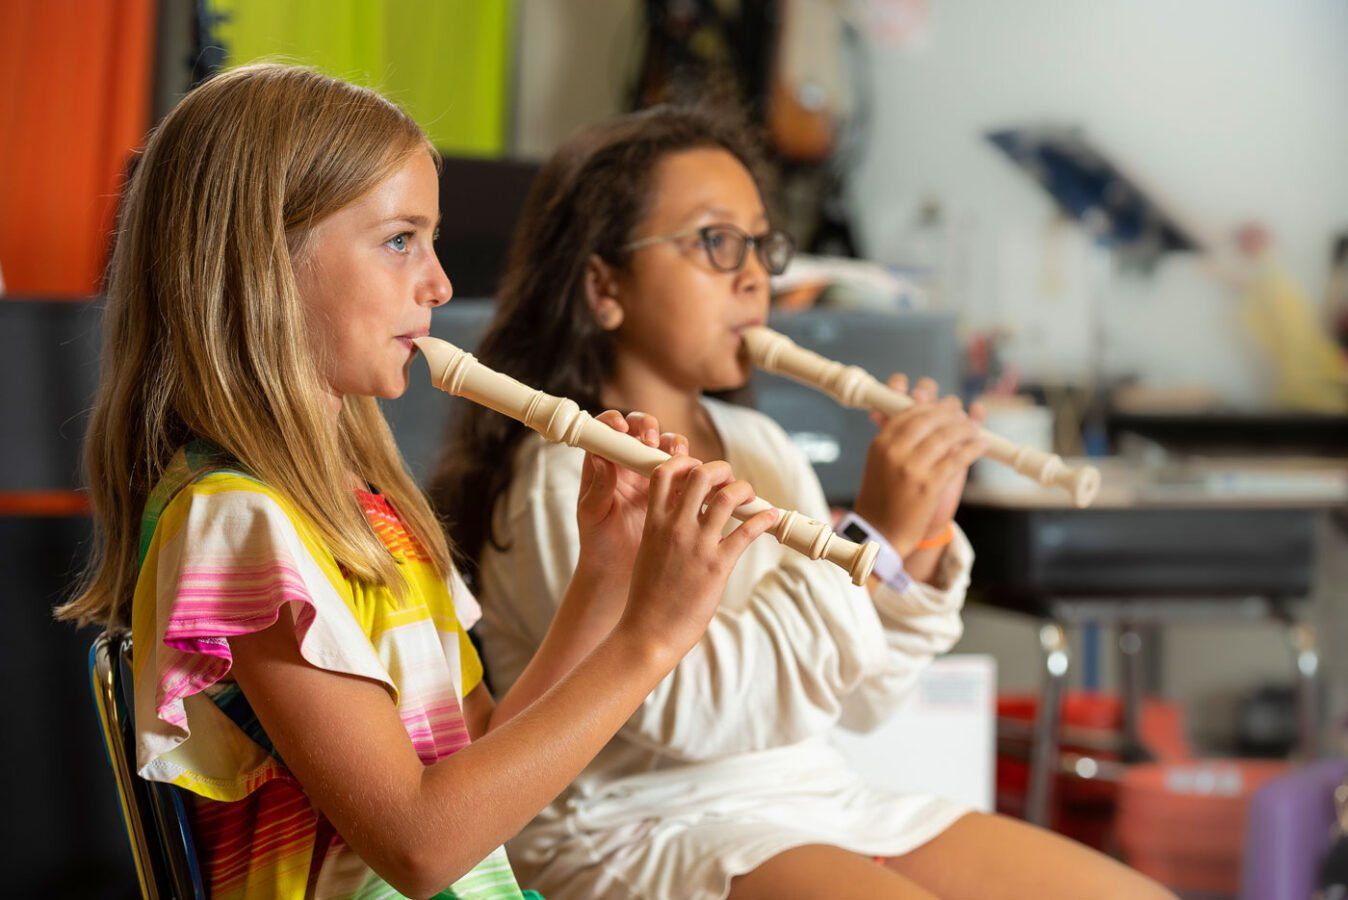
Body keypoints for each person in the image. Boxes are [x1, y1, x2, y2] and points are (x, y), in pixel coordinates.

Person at [55, 65, 778, 899]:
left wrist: (606, 577)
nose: (438, 284)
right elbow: (422, 846)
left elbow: (478, 774)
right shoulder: (236, 525)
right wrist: (650, 639)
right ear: (263, 263)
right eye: (402, 240)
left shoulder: (371, 512)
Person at [431, 106, 1171, 900]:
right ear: (605, 285)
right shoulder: (567, 478)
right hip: (639, 828)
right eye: (716, 242)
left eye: (761, 245)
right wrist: (872, 533)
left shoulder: (759, 443)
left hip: (816, 796)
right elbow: (695, 717)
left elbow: (864, 696)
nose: (756, 277)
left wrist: (914, 538)